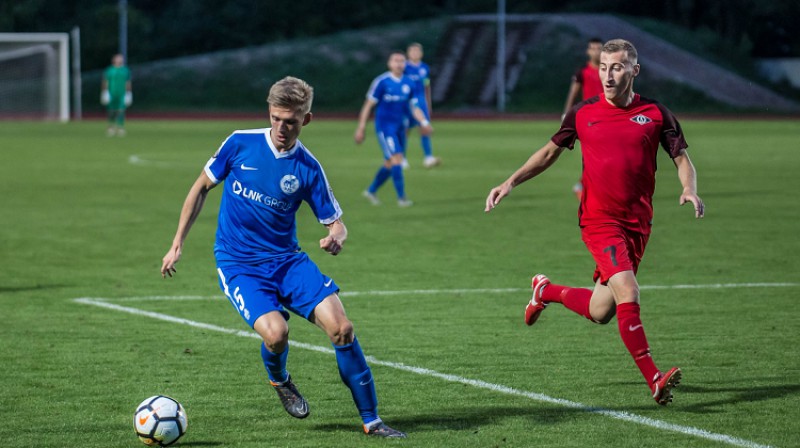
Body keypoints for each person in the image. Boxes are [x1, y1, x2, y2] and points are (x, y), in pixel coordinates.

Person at [161, 76, 406, 438]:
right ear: (269, 112)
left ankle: (372, 421)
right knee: (276, 334)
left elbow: (337, 223)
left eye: (290, 121)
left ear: (306, 120)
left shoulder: (308, 168)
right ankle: (280, 379)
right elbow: (201, 187)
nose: (281, 128)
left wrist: (336, 237)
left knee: (342, 328)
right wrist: (177, 241)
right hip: (239, 264)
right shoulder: (240, 143)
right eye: (276, 118)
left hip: (288, 262)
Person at [485, 39, 704, 406]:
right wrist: (510, 181)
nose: (607, 75)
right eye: (603, 67)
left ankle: (545, 291)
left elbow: (682, 158)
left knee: (602, 310)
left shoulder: (655, 113)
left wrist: (689, 189)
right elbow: (549, 152)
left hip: (638, 224)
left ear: (634, 71)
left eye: (616, 67)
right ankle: (654, 378)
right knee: (629, 293)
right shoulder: (583, 113)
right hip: (599, 222)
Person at [355, 51, 433, 207]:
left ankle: (371, 191)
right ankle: (402, 198)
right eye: (395, 60)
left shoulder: (409, 82)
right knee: (397, 159)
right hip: (385, 128)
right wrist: (361, 127)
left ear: (405, 64)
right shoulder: (382, 82)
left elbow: (414, 107)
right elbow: (368, 105)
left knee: (390, 163)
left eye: (401, 61)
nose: (398, 63)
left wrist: (424, 122)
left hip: (400, 129)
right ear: (389, 63)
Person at [562, 38, 603, 200]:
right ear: (588, 51)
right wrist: (566, 114)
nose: (596, 51)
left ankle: (586, 185)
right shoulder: (582, 72)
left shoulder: (609, 71)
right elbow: (573, 94)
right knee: (593, 155)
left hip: (608, 118)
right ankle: (583, 185)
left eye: (599, 48)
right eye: (593, 48)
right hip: (589, 120)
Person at [404, 43, 440, 168]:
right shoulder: (404, 67)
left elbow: (426, 86)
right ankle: (401, 158)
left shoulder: (425, 68)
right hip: (407, 101)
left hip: (421, 101)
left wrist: (428, 103)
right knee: (405, 129)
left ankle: (428, 157)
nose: (415, 53)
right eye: (412, 51)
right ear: (408, 53)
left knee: (425, 129)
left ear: (421, 53)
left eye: (417, 51)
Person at [100, 53, 132, 136]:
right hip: (111, 93)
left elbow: (128, 82)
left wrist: (129, 93)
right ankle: (110, 126)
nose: (119, 60)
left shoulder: (126, 70)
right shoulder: (109, 70)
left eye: (120, 58)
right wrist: (104, 92)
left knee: (121, 110)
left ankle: (120, 127)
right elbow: (105, 81)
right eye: (118, 58)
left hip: (121, 93)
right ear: (114, 60)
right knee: (111, 110)